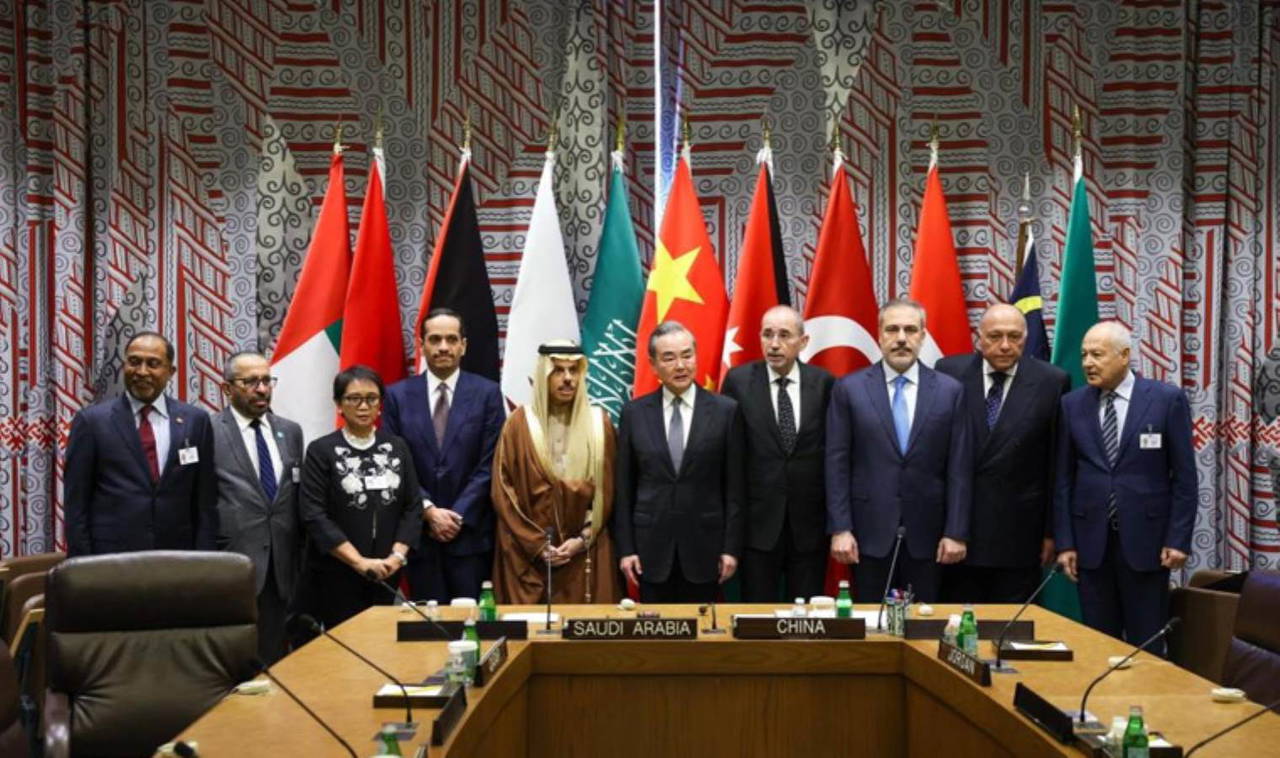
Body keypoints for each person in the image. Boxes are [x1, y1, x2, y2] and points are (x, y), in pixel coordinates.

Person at [1054, 321, 1195, 650]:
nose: (1088, 363)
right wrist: (1065, 543)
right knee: (1098, 643)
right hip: (1091, 544)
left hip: (1148, 543)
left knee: (1147, 643)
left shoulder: (1165, 399)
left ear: (1124, 355)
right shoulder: (1072, 405)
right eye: (1084, 355)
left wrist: (1178, 539)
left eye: (1097, 354)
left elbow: (1185, 478)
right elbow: (1063, 480)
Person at [825, 298, 972, 603]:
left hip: (929, 536)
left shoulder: (950, 391)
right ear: (879, 335)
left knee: (923, 623)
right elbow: (836, 464)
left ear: (923, 335)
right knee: (872, 624)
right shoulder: (849, 389)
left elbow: (959, 468)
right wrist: (841, 528)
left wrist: (956, 531)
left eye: (910, 330)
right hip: (868, 535)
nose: (901, 338)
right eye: (892, 329)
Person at [935, 304, 1069, 603]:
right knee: (959, 620)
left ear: (1026, 338)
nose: (1006, 345)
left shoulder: (1052, 381)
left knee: (1012, 623)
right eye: (995, 336)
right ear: (979, 338)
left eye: (1014, 336)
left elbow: (1056, 464)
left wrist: (1052, 532)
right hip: (959, 530)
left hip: (1019, 533)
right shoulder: (949, 372)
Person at [613, 321, 745, 603]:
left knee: (703, 627)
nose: (681, 365)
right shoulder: (634, 413)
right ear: (653, 364)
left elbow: (735, 488)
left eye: (687, 355)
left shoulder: (725, 411)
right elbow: (624, 488)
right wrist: (626, 549)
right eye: (669, 358)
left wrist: (731, 548)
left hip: (705, 548)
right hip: (650, 550)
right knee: (656, 628)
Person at [383, 308, 504, 603]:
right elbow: (394, 464)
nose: (443, 347)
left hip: (471, 536)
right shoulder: (397, 396)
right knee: (427, 626)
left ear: (464, 345)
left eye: (451, 339)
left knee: (472, 621)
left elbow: (491, 462)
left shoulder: (487, 393)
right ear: (422, 345)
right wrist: (428, 511)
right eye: (435, 339)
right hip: (420, 537)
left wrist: (457, 516)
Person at [63, 331, 218, 556]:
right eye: (134, 362)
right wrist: (83, 565)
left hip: (178, 556)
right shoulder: (92, 422)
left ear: (171, 371)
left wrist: (205, 559)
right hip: (111, 557)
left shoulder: (195, 421)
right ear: (124, 365)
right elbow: (76, 504)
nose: (142, 371)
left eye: (153, 364)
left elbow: (205, 502)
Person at [490, 341, 620, 604]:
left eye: (574, 371)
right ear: (543, 375)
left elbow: (607, 491)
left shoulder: (599, 424)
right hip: (527, 554)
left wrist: (582, 539)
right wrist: (537, 543)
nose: (568, 379)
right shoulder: (518, 424)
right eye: (558, 370)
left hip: (585, 553)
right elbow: (503, 492)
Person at [721, 305, 834, 602]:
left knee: (808, 616)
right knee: (757, 617)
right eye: (767, 334)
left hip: (809, 526)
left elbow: (832, 455)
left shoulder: (823, 384)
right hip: (757, 526)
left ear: (803, 341)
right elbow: (730, 457)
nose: (774, 344)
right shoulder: (738, 382)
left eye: (784, 335)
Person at [299, 365, 421, 629]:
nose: (364, 406)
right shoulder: (322, 450)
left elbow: (413, 507)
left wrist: (396, 558)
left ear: (380, 405)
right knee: (347, 643)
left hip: (388, 570)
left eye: (371, 398)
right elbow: (314, 514)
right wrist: (358, 562)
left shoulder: (397, 447)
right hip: (338, 572)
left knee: (384, 640)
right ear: (339, 404)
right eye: (354, 399)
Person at [211, 351, 305, 664]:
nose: (262, 389)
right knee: (233, 661)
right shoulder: (209, 430)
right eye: (251, 382)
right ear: (227, 388)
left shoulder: (290, 431)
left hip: (281, 565)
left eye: (266, 380)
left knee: (275, 659)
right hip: (233, 562)